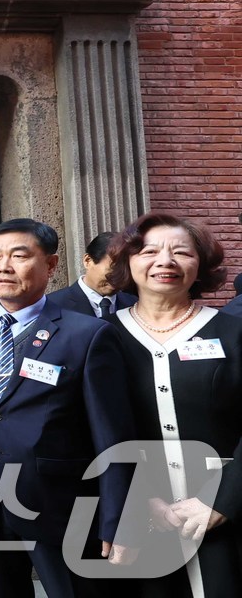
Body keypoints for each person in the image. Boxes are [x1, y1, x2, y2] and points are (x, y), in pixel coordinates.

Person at [0, 218, 135, 598]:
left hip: (60, 502)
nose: (3, 266)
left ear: (51, 264)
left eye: (19, 256)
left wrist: (116, 519)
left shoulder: (88, 334)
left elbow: (112, 434)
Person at [108, 213, 239, 597]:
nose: (165, 261)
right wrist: (140, 499)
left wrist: (222, 500)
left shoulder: (233, 332)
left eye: (181, 252)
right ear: (127, 263)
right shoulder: (102, 338)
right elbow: (93, 429)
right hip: (145, 515)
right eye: (149, 251)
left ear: (200, 266)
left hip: (227, 509)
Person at [47, 231, 138, 318]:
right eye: (113, 269)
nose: (119, 277)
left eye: (125, 270)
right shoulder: (53, 305)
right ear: (88, 261)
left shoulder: (135, 306)